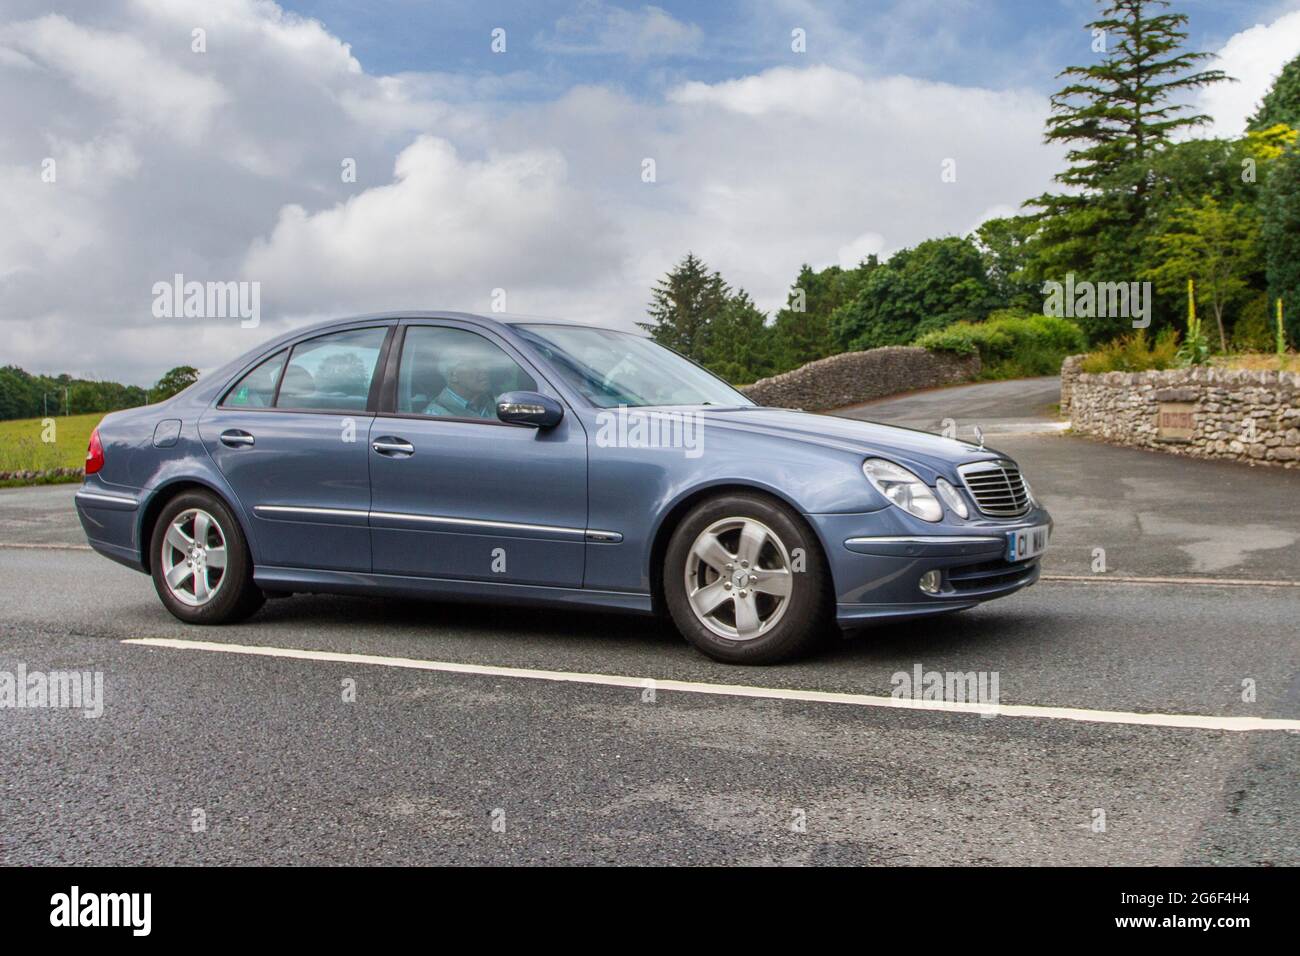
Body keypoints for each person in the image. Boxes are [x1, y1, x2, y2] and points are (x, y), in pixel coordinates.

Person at [425, 356, 495, 418]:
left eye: (484, 362)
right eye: (474, 364)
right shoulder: (437, 416)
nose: (485, 368)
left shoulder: (492, 402)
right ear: (453, 376)